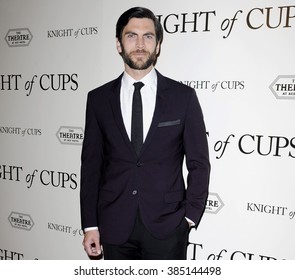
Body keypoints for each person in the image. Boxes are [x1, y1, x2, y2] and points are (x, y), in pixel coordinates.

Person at [80, 6, 210, 260]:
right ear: (119, 44)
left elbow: (199, 162)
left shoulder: (182, 97)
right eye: (131, 36)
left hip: (168, 227)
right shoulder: (98, 99)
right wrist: (90, 225)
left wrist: (189, 217)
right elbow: (91, 166)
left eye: (148, 36)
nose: (140, 44)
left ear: (158, 45)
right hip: (114, 225)